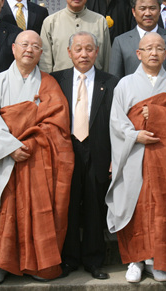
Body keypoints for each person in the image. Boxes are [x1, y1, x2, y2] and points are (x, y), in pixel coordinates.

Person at [0, 30, 74, 284]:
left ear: (41, 53)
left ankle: (38, 263)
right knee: (4, 211)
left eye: (35, 46)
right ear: (13, 49)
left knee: (38, 212)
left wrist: (30, 143)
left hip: (37, 159)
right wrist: (10, 148)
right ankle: (1, 264)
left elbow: (57, 124)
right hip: (5, 158)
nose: (29, 50)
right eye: (24, 45)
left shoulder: (49, 84)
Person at [106, 32, 166, 283]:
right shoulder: (125, 84)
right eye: (148, 48)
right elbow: (116, 121)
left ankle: (158, 261)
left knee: (162, 208)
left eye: (159, 48)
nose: (154, 53)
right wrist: (135, 135)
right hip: (134, 155)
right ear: (138, 54)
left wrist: (159, 115)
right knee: (136, 207)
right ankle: (135, 260)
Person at [51, 31, 119, 280]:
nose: (84, 54)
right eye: (78, 49)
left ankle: (94, 260)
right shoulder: (55, 80)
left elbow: (117, 123)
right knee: (67, 204)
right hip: (66, 150)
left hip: (99, 149)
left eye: (89, 49)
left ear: (97, 52)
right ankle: (68, 259)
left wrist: (114, 157)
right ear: (69, 52)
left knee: (94, 204)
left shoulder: (111, 82)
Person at [110, 0, 166, 82]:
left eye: (152, 8)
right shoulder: (121, 42)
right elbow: (115, 81)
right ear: (134, 12)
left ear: (159, 10)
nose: (147, 13)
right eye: (142, 9)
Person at [39, 0, 110, 73]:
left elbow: (107, 59)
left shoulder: (100, 21)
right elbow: (45, 63)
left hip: (94, 81)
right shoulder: (50, 22)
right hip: (59, 81)